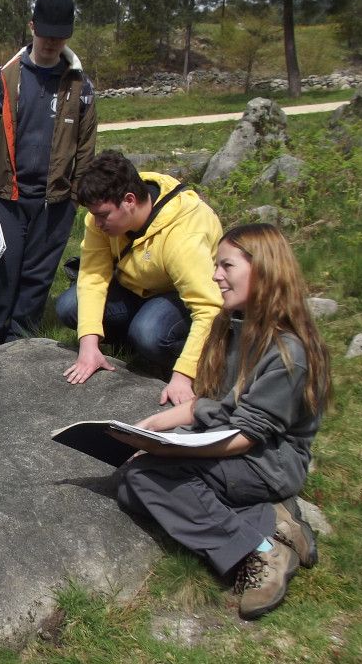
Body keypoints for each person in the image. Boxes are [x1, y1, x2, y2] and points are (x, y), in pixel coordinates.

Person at [110, 223, 331, 620]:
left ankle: (261, 551)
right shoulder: (232, 325)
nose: (215, 276)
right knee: (129, 485)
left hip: (268, 459)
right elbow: (207, 403)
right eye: (216, 266)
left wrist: (169, 451)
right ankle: (271, 518)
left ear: (263, 270)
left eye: (226, 265)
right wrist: (151, 427)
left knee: (146, 480)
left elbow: (249, 435)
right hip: (229, 439)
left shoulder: (288, 353)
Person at [0, 0, 96, 357]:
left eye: (61, 36)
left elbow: (86, 145)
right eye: (46, 34)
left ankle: (19, 341)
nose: (52, 43)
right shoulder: (3, 80)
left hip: (55, 200)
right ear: (32, 27)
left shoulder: (80, 86)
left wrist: (77, 195)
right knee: (3, 272)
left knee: (38, 275)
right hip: (8, 195)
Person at [56, 150, 223, 406]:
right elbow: (92, 276)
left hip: (179, 296)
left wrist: (184, 374)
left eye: (103, 215)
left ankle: (174, 357)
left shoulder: (183, 236)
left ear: (129, 200)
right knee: (69, 306)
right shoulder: (101, 215)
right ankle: (130, 346)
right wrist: (88, 344)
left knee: (148, 332)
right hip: (135, 287)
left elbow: (210, 309)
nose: (96, 223)